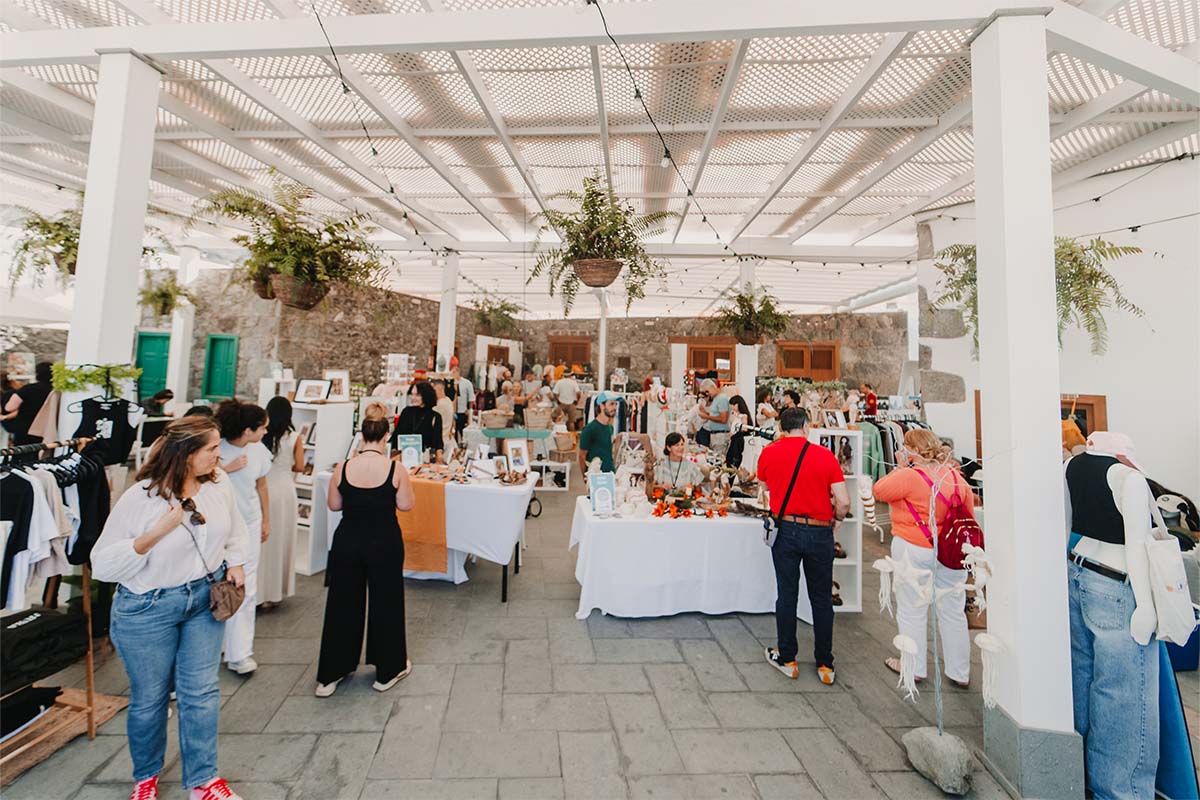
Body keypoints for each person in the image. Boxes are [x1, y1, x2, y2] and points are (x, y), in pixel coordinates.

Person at [90, 415, 248, 800]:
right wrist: (155, 534)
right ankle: (146, 777)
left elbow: (235, 528)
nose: (219, 454)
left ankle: (204, 781)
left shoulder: (218, 483)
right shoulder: (141, 497)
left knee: (202, 692)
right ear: (187, 454)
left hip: (204, 600)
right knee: (151, 699)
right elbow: (103, 565)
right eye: (212, 448)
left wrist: (236, 561)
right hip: (148, 607)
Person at [1064, 432, 1160, 798]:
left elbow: (1065, 528)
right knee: (1124, 695)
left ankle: (1082, 779)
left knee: (1083, 683)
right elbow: (1137, 545)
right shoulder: (1128, 479)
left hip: (1078, 574)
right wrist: (1146, 605)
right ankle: (1121, 791)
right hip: (1117, 585)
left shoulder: (1071, 467)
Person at [316, 403, 416, 696]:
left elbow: (334, 504)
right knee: (387, 601)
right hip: (384, 540)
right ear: (386, 437)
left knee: (342, 602)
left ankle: (331, 674)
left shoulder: (343, 467)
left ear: (362, 436)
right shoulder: (395, 469)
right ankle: (388, 670)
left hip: (348, 540)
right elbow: (406, 505)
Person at [872, 429, 974, 688]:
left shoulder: (909, 476)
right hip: (951, 551)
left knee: (911, 609)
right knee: (953, 611)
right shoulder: (954, 476)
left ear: (913, 450)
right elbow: (969, 514)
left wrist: (900, 466)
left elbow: (879, 490)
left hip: (913, 547)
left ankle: (914, 667)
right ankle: (960, 671)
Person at [756, 407, 849, 685]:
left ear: (781, 428)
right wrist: (837, 519)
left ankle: (788, 659)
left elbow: (763, 487)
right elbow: (843, 501)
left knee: (787, 594)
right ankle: (825, 664)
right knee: (821, 598)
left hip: (785, 529)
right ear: (807, 426)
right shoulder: (825, 455)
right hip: (819, 532)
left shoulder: (769, 453)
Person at [214, 399, 271, 676]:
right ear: (247, 430)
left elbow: (262, 486)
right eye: (262, 428)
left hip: (249, 521)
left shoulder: (258, 450)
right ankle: (218, 644)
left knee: (245, 586)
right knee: (215, 584)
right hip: (218, 525)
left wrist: (266, 519)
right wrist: (227, 469)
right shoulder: (216, 449)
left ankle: (240, 652)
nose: (266, 432)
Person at [260, 397, 303, 609]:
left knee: (262, 542)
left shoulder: (262, 436)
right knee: (281, 540)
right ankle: (274, 592)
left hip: (263, 489)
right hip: (285, 491)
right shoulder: (294, 437)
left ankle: (259, 592)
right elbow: (300, 466)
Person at [3, 361, 53, 446]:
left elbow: (9, 407)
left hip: (26, 427)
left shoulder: (28, 389)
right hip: (46, 428)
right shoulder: (55, 390)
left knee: (22, 452)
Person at [391, 381, 443, 457]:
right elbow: (396, 436)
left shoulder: (435, 416)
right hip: (404, 455)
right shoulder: (406, 412)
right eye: (412, 394)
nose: (413, 398)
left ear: (426, 395)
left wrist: (439, 455)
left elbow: (438, 443)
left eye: (417, 395)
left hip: (425, 457)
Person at [579, 391, 618, 477]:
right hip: (596, 476)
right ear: (602, 406)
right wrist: (584, 477)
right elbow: (582, 455)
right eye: (611, 404)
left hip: (610, 474)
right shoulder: (590, 429)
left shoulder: (610, 427)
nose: (615, 407)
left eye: (616, 404)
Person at [695, 378, 730, 449]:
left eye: (707, 391)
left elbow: (723, 419)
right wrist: (706, 413)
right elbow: (716, 415)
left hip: (720, 436)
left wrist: (706, 417)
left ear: (712, 387)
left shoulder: (722, 398)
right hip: (714, 435)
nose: (707, 394)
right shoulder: (716, 398)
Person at [725, 395, 752, 469]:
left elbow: (744, 429)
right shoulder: (734, 415)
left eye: (734, 405)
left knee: (734, 458)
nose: (732, 407)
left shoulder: (743, 416)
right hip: (733, 439)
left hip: (738, 440)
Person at [431, 379, 456, 453]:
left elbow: (432, 424)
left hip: (438, 442)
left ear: (440, 389)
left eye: (433, 390)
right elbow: (452, 421)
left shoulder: (439, 405)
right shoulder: (448, 401)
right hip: (446, 439)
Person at [450, 365, 473, 438]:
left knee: (462, 432)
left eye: (454, 372)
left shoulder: (467, 383)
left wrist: (469, 410)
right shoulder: (450, 383)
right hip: (452, 411)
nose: (452, 374)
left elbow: (471, 398)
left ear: (458, 372)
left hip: (462, 411)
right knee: (453, 433)